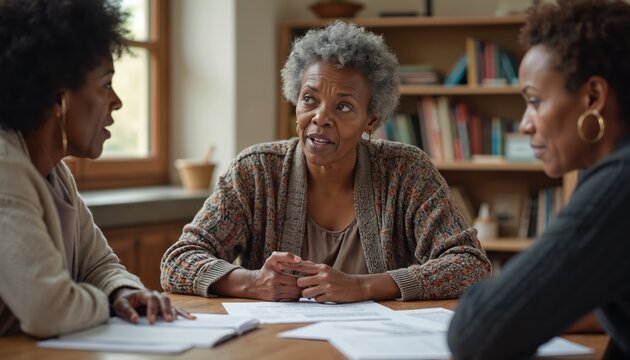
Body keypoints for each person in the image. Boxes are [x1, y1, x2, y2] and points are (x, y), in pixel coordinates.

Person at [161, 21, 491, 304]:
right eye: (309, 99)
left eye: (343, 107)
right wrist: (252, 282)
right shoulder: (256, 171)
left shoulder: (406, 171)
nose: (321, 118)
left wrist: (362, 285)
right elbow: (178, 260)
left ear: (370, 120)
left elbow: (470, 265)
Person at [447, 0, 630, 358]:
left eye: (535, 101)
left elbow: (476, 332)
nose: (525, 123)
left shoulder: (619, 185)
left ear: (593, 96)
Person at [0, 0, 193, 338]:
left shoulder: (56, 174)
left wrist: (122, 292)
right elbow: (49, 309)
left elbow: (99, 265)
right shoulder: (5, 168)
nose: (116, 100)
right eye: (105, 84)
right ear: (59, 98)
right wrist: (108, 306)